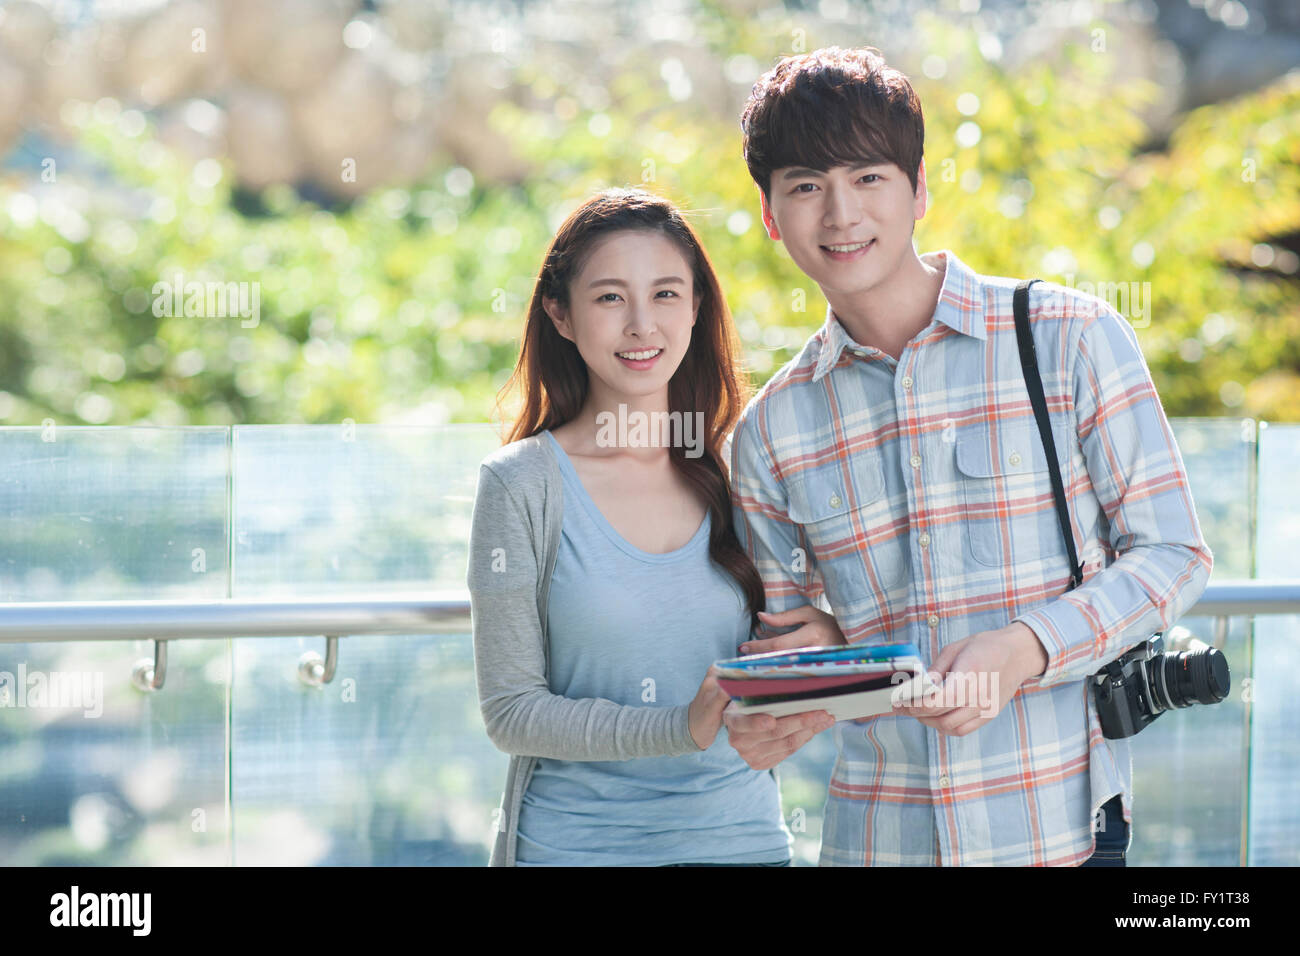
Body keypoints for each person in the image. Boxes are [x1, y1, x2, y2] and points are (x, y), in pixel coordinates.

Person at [722, 47, 1213, 866]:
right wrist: (793, 694)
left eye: (868, 178)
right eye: (807, 186)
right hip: (879, 839)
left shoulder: (1069, 339)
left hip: (1058, 833)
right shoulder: (771, 430)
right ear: (771, 215)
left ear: (919, 189)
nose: (840, 214)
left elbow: (1175, 554)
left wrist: (1024, 647)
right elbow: (804, 647)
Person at [466, 187, 843, 866]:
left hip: (743, 843)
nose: (642, 325)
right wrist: (680, 726)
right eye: (610, 298)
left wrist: (825, 638)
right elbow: (512, 711)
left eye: (666, 294)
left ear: (696, 308)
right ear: (561, 314)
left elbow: (840, 621)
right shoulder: (519, 485)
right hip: (575, 848)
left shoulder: (747, 467)